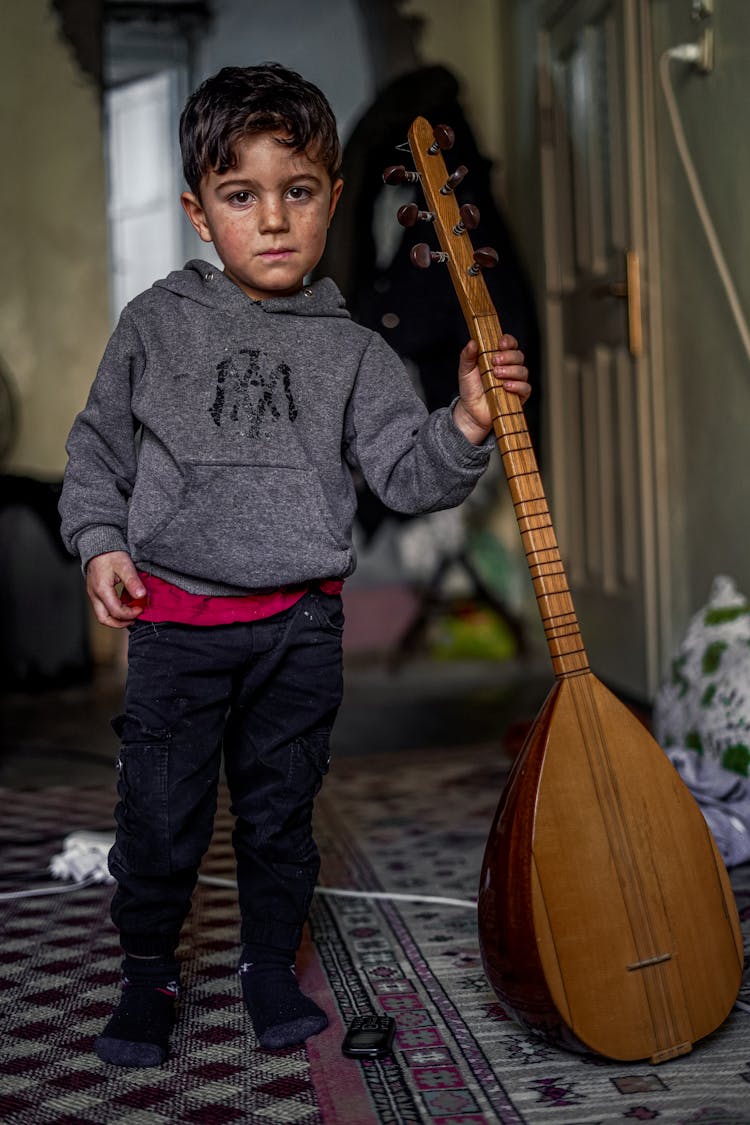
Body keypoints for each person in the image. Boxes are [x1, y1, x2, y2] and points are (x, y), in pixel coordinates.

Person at [59, 62, 530, 1069]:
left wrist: (467, 421)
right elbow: (96, 451)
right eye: (242, 195)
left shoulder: (355, 352)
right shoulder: (152, 325)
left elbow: (411, 475)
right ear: (199, 212)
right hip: (178, 630)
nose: (273, 220)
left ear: (332, 196)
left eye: (298, 191)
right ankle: (150, 974)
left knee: (279, 816)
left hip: (298, 633)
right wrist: (100, 542)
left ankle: (268, 965)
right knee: (161, 816)